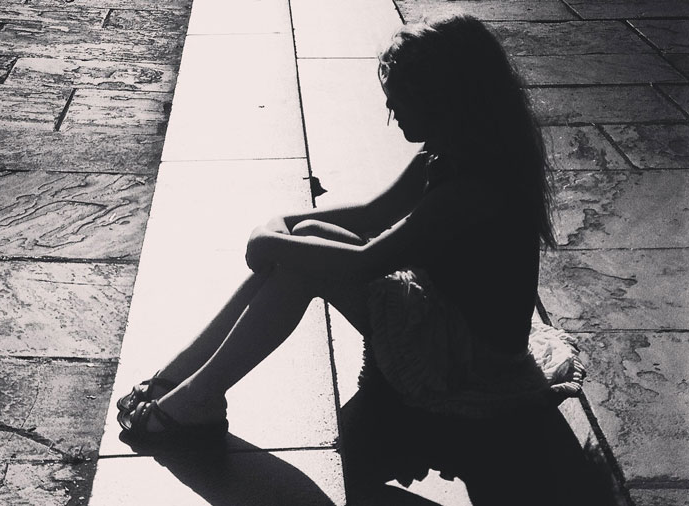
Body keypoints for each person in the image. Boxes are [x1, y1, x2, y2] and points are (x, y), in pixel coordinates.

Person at [117, 14, 584, 498]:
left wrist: (272, 243)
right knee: (310, 237)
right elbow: (369, 213)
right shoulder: (448, 154)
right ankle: (181, 378)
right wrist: (285, 223)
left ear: (443, 100)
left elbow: (368, 261)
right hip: (453, 320)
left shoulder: (470, 190)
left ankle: (198, 398)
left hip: (468, 358)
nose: (390, 110)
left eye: (399, 99)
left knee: (300, 269)